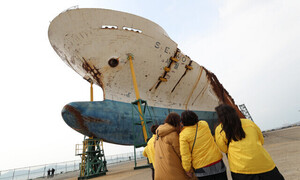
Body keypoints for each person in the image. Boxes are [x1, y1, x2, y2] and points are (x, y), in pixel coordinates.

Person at [214, 104, 284, 180]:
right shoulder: (249, 123)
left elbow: (223, 149)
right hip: (265, 165)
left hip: (241, 169)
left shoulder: (220, 130)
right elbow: (261, 140)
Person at [180, 110, 227, 180]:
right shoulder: (204, 124)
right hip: (217, 162)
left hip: (201, 168)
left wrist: (187, 169)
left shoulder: (183, 135)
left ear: (183, 122)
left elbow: (185, 155)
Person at [154, 112, 192, 180]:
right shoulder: (173, 135)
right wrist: (189, 169)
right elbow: (181, 153)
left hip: (159, 173)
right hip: (173, 173)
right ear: (177, 122)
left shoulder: (157, 135)